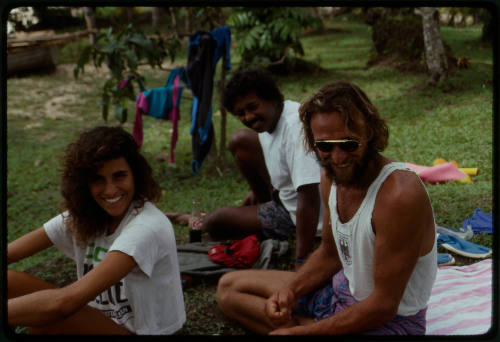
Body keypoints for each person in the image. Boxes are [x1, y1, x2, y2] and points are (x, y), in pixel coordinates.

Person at [216, 80, 437, 335]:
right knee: (228, 288)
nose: (338, 157)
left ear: (370, 133)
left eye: (349, 144)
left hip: (390, 321)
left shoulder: (400, 195)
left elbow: (384, 305)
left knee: (275, 322)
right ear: (313, 143)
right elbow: (331, 253)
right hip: (339, 292)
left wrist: (309, 332)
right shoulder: (330, 177)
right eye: (325, 147)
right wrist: (292, 290)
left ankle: (302, 327)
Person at [7, 126, 186, 335]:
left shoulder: (147, 227)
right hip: (102, 321)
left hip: (143, 332)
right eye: (98, 179)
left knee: (50, 321)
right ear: (84, 183)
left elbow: (64, 303)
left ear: (135, 176)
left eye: (119, 176)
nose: (110, 190)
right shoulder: (86, 216)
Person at [203, 69, 322, 269]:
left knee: (216, 221)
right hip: (284, 196)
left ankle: (267, 218)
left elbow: (309, 196)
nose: (249, 117)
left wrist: (301, 257)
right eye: (240, 113)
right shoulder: (273, 117)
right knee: (240, 141)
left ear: (272, 99)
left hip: (302, 217)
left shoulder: (295, 127)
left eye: (252, 107)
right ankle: (262, 207)